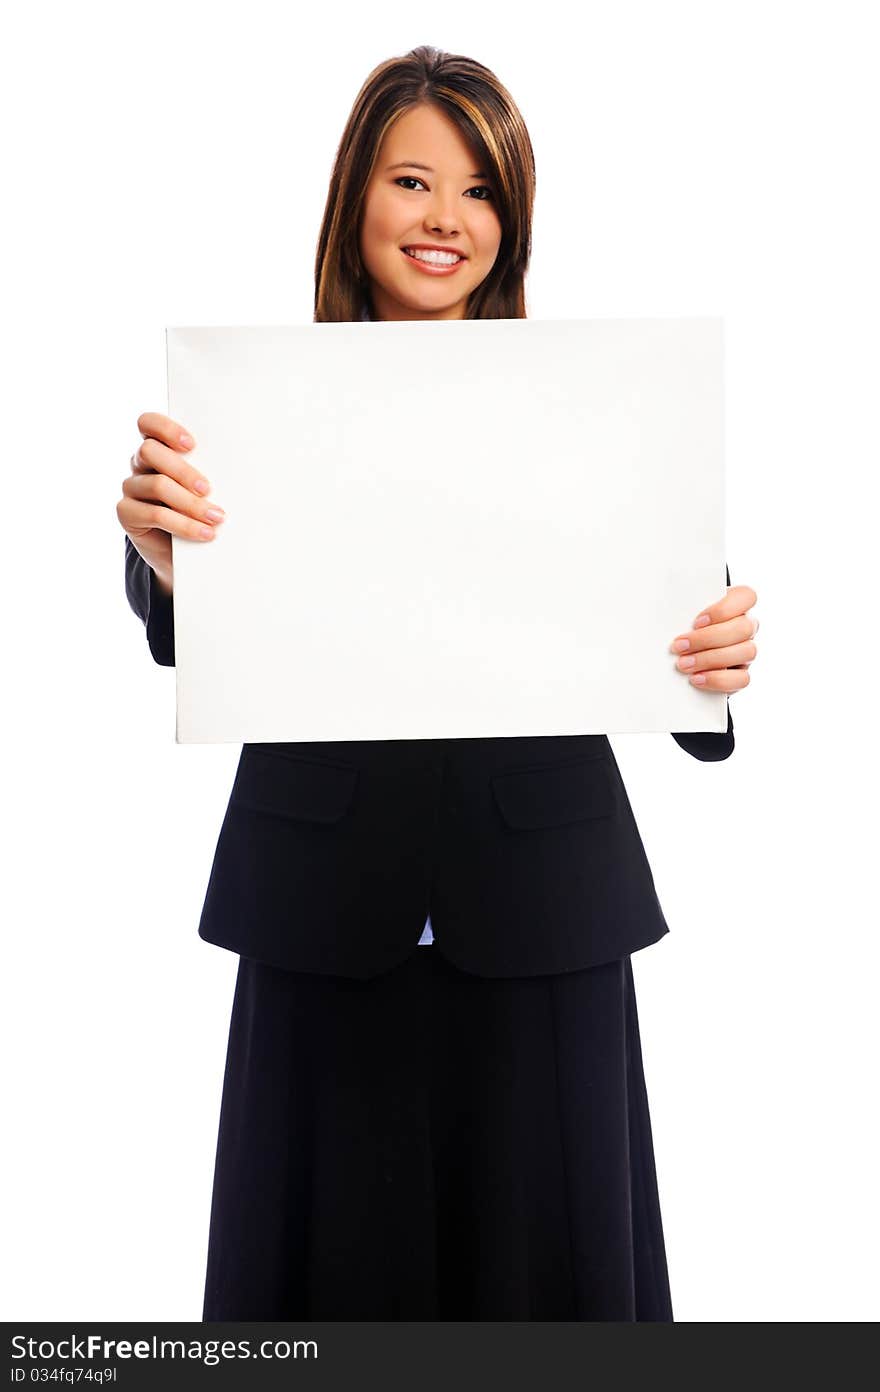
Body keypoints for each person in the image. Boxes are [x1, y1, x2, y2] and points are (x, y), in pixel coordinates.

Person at [116, 45, 758, 1321]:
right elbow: (186, 623)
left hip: (542, 911)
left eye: (480, 190)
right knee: (317, 1296)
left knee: (553, 1287)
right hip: (321, 905)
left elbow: (679, 649)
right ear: (355, 197)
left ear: (509, 221)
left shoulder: (589, 412)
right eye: (412, 179)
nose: (444, 218)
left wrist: (718, 658)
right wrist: (165, 564)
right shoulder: (244, 408)